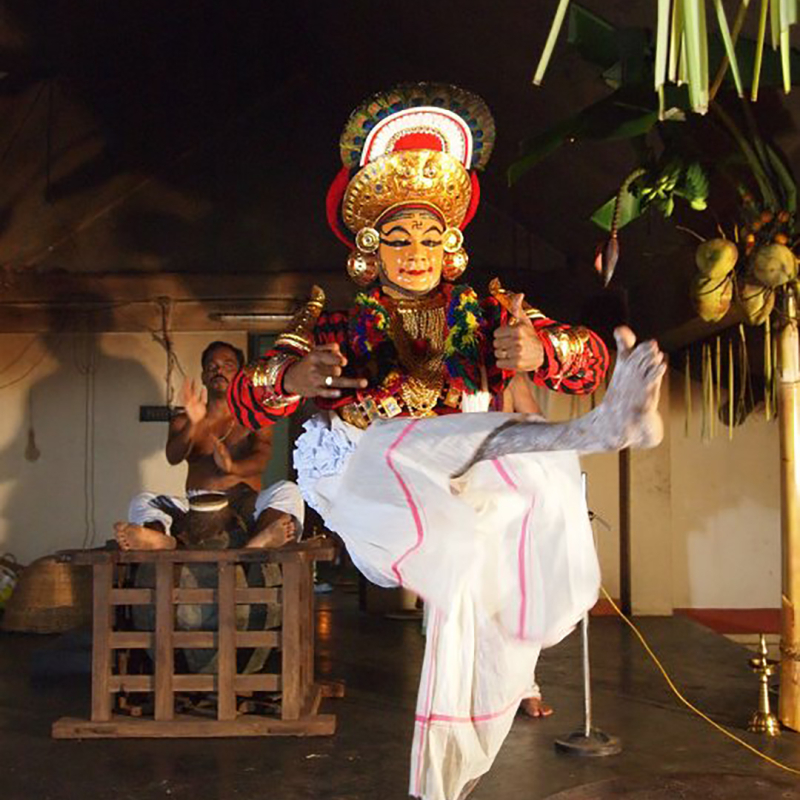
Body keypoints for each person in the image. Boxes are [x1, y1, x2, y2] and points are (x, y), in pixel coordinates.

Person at [228, 84, 664, 800]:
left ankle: (595, 431)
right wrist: (297, 376)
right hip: (372, 486)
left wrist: (539, 351)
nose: (415, 252)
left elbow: (585, 355)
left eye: (431, 236)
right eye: (398, 237)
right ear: (372, 248)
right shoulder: (338, 325)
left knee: (511, 463)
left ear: (452, 244)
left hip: (462, 489)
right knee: (416, 440)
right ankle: (582, 432)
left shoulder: (486, 312)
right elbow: (251, 391)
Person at [114, 340, 304, 550]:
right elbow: (173, 456)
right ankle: (161, 540)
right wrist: (193, 425)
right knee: (142, 501)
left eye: (228, 365)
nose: (219, 370)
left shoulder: (256, 416)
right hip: (195, 508)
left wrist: (232, 467)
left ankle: (260, 542)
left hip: (243, 505)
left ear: (241, 376)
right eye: (212, 367)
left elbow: (262, 456)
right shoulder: (183, 420)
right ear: (204, 376)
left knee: (289, 491)